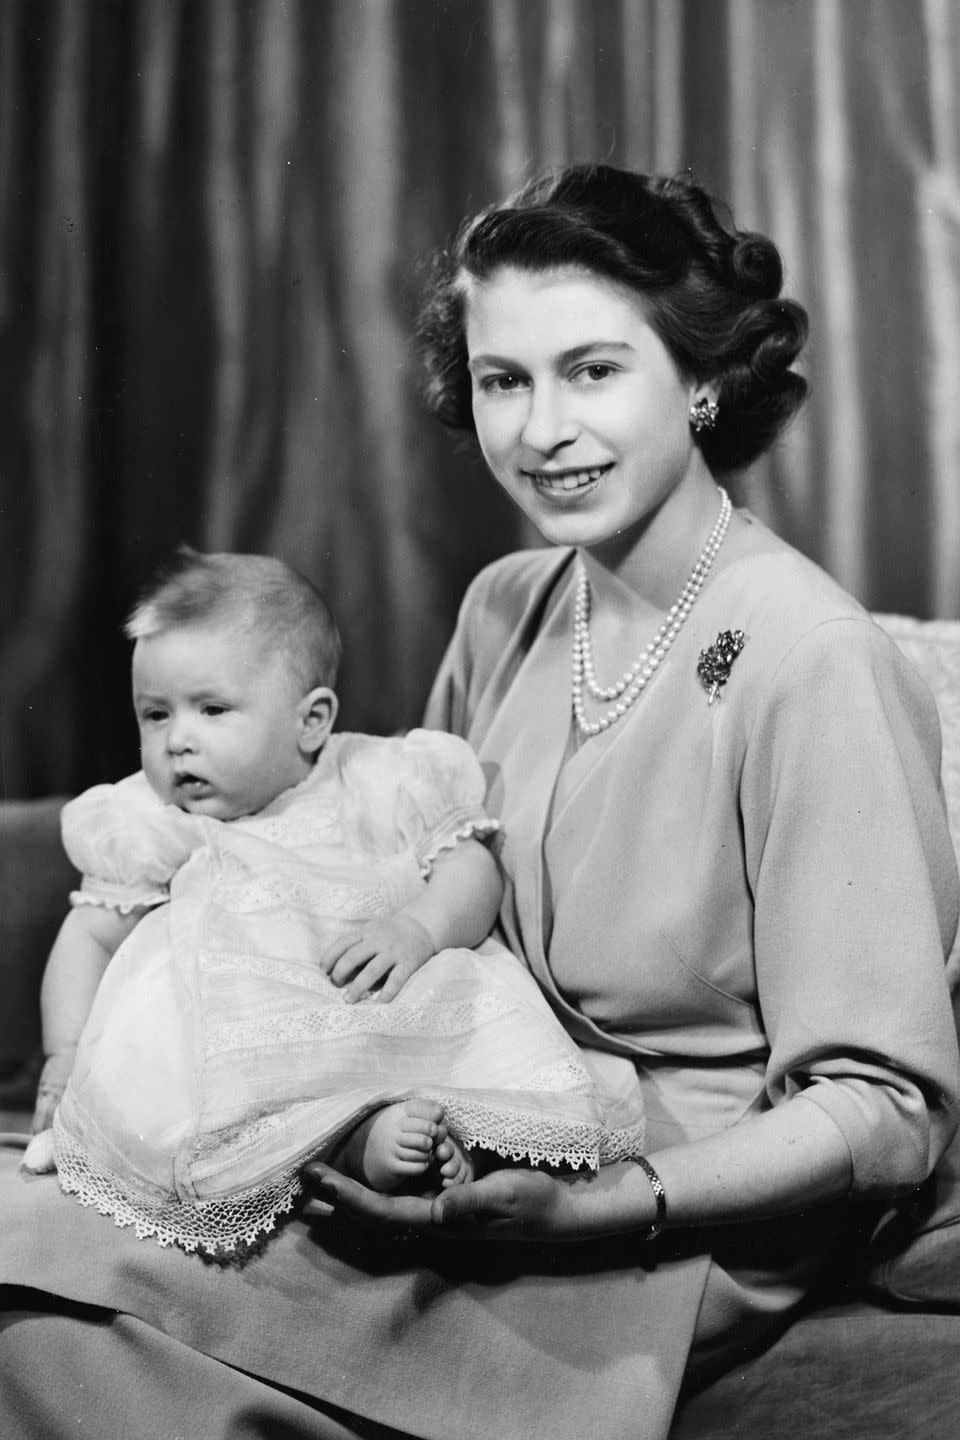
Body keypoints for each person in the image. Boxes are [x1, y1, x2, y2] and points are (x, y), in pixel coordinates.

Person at [0, 163, 958, 1439]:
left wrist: (607, 1204)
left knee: (68, 1328)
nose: (542, 428)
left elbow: (885, 1115)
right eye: (506, 380)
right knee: (39, 1249)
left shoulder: (813, 659)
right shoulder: (509, 602)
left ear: (703, 378)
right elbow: (408, 873)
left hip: (664, 1216)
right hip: (440, 1120)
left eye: (595, 370)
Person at [23, 548, 644, 1256]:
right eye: (155, 715)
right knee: (215, 1116)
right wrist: (66, 1054)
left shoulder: (378, 778)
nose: (178, 741)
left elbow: (471, 867)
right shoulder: (155, 822)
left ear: (311, 720)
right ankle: (365, 1151)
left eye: (212, 709)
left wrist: (419, 927)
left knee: (464, 1041)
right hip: (241, 1055)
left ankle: (454, 1145)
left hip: (378, 1008)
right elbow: (89, 936)